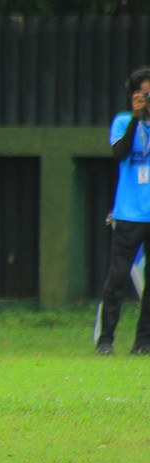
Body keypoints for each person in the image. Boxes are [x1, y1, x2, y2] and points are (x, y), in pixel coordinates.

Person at [95, 67, 150, 356]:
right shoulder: (122, 121)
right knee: (117, 278)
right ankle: (106, 340)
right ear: (132, 97)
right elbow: (119, 153)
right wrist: (137, 120)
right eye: (142, 94)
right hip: (129, 214)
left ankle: (144, 341)